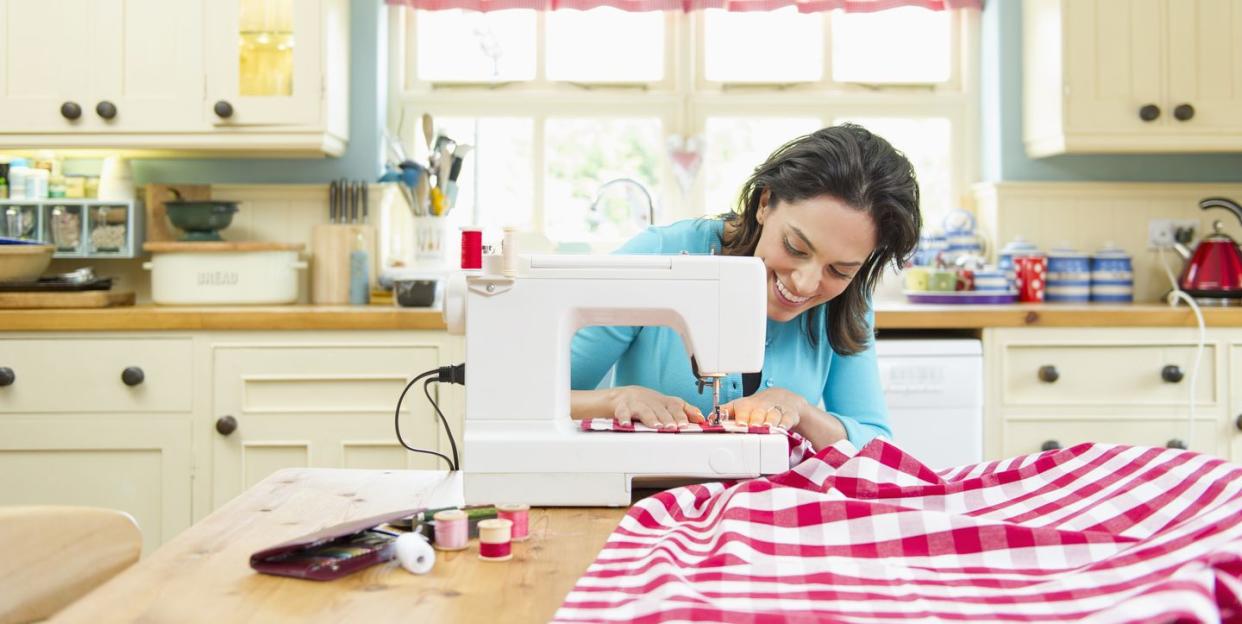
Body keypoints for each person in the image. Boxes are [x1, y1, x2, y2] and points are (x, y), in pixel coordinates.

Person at [569, 124, 922, 451]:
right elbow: (523, 399)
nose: (805, 282)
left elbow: (876, 444)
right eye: (795, 248)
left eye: (840, 270)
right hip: (646, 496)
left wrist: (802, 413)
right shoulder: (656, 257)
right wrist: (613, 400)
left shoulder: (847, 300)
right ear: (765, 204)